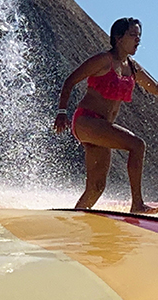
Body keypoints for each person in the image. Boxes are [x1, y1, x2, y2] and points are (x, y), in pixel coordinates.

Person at [54, 17, 158, 213]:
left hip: (101, 129)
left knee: (96, 187)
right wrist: (61, 112)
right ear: (118, 38)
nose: (138, 40)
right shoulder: (104, 60)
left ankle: (74, 220)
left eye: (139, 36)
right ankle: (137, 205)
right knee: (137, 145)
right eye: (133, 35)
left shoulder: (132, 68)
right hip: (87, 121)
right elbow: (70, 81)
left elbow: (156, 89)